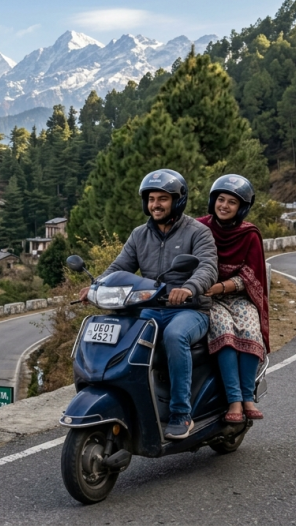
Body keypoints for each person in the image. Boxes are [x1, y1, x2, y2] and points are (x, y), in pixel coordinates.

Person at [79, 169, 217, 439]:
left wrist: (188, 288)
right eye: (151, 198)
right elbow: (120, 266)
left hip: (189, 310)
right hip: (151, 309)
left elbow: (208, 267)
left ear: (177, 200)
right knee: (119, 334)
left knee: (175, 335)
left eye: (162, 198)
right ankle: (132, 402)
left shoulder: (198, 232)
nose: (156, 204)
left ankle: (181, 414)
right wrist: (96, 286)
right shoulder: (139, 235)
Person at [197, 174, 268, 423]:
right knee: (223, 332)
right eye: (220, 199)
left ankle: (248, 397)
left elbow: (251, 274)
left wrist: (222, 287)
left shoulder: (249, 234)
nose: (224, 206)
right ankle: (234, 401)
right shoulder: (199, 227)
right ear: (213, 200)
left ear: (242, 208)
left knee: (249, 330)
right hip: (205, 298)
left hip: (236, 295)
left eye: (232, 202)